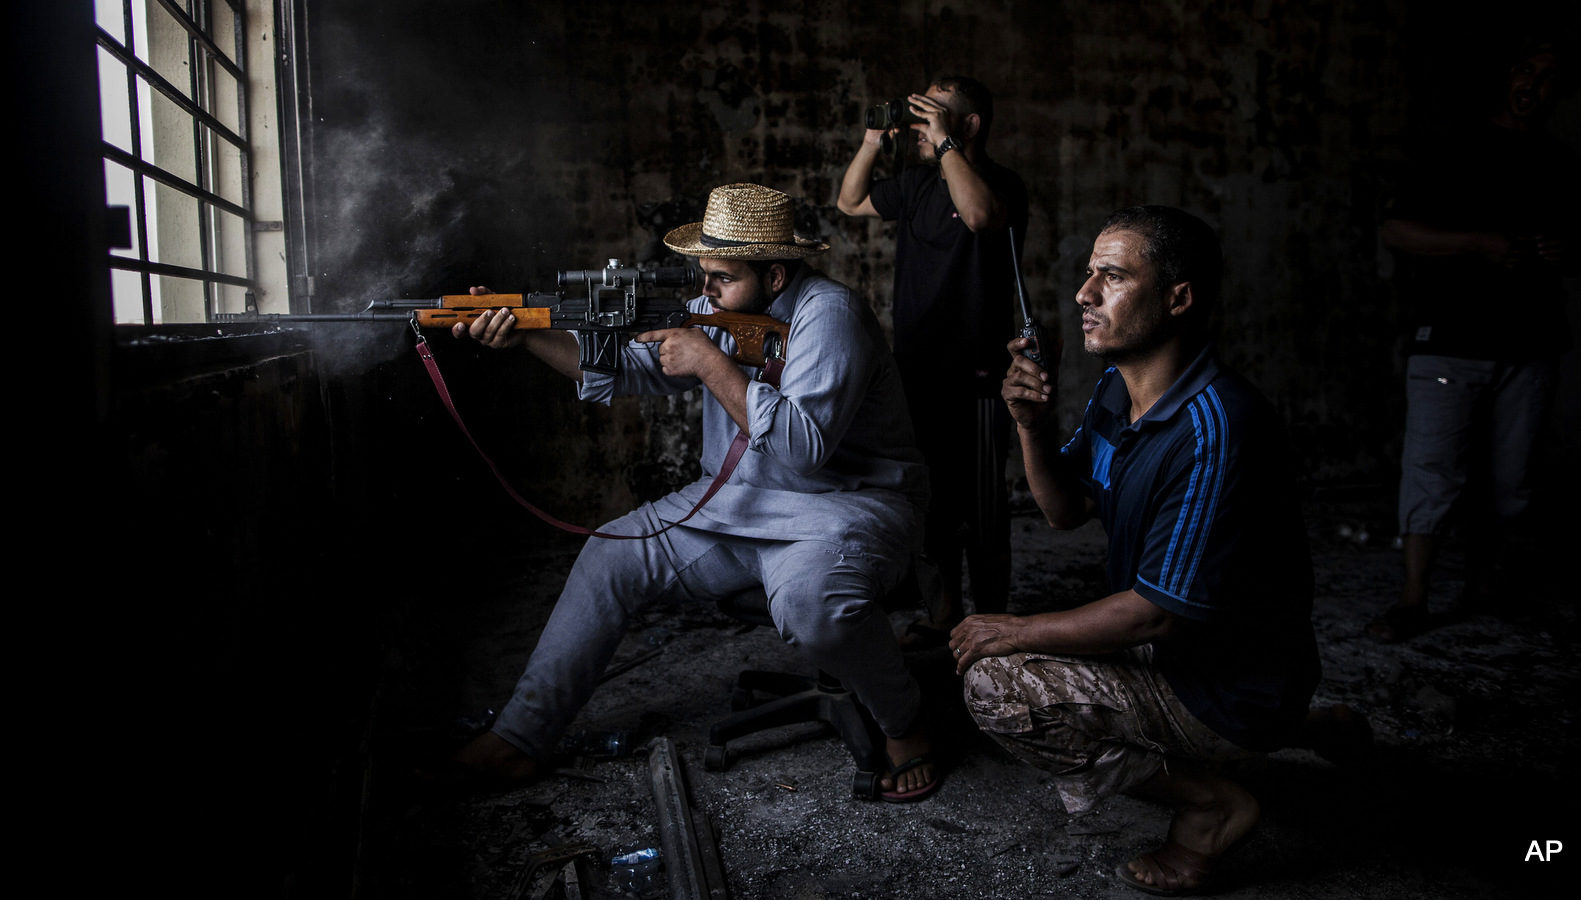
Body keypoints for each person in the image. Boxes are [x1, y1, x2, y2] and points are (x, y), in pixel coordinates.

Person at [450, 183, 940, 800]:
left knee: (810, 606)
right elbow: (626, 368)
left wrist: (710, 362)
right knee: (611, 553)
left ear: (777, 276)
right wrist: (526, 337)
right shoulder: (717, 312)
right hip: (739, 503)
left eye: (722, 277)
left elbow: (802, 450)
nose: (705, 290)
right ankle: (519, 740)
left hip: (844, 509)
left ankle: (906, 722)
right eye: (703, 274)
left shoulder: (830, 315)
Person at [950, 207, 1353, 895]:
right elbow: (1064, 509)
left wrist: (1012, 630)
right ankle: (1306, 727)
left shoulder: (1215, 429)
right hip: (1182, 656)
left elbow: (1156, 615)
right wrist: (1032, 426)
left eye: (1111, 277)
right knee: (1013, 640)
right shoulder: (1118, 389)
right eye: (1088, 275)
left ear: (1179, 298)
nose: (1084, 294)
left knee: (997, 685)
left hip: (1223, 682)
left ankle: (1212, 803)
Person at [1369, 34, 1581, 642]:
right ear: (1506, 76)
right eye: (1526, 70)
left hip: (1532, 343)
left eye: (1549, 78)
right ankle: (1414, 599)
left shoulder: (1564, 166)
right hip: (1450, 339)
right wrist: (1480, 244)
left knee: (1513, 480)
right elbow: (1395, 229)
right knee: (1433, 470)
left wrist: (1566, 251)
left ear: (1559, 92)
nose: (1534, 86)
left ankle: (1486, 585)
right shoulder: (1453, 151)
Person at [836, 75, 1030, 649]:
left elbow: (978, 218)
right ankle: (946, 615)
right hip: (916, 369)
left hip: (978, 374)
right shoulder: (917, 184)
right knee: (932, 503)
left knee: (984, 508)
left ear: (968, 125)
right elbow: (849, 201)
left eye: (935, 113)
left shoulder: (1002, 187)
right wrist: (874, 138)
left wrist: (943, 142)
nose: (922, 123)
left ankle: (994, 622)